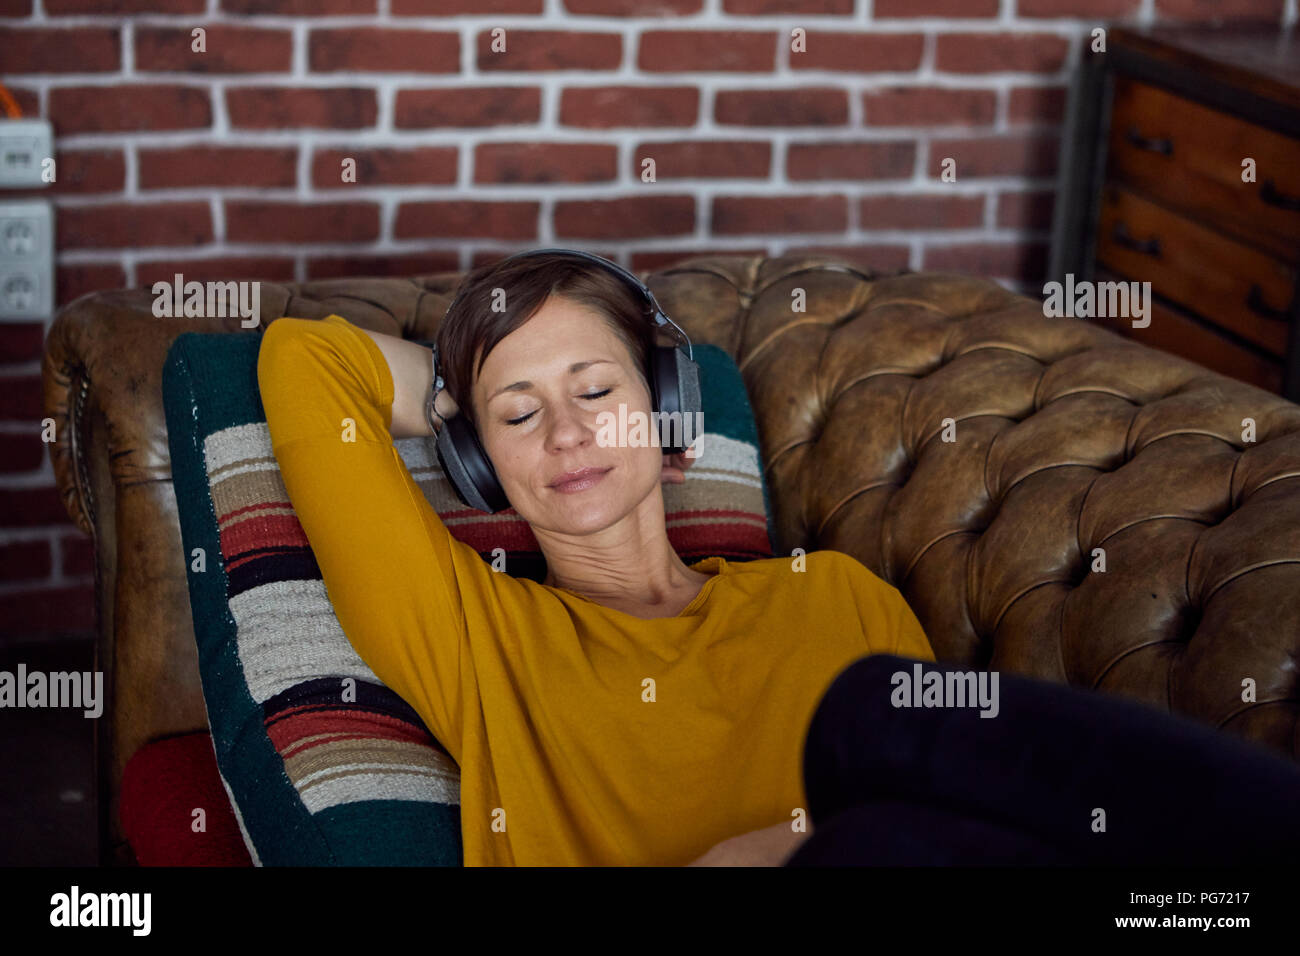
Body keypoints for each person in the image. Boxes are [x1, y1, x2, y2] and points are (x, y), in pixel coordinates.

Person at [256, 251, 934, 866]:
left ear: (666, 406)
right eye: (520, 416)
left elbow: (950, 821)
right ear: (478, 465)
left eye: (595, 391)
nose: (568, 434)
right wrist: (460, 403)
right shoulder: (473, 636)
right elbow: (304, 360)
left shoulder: (839, 597)